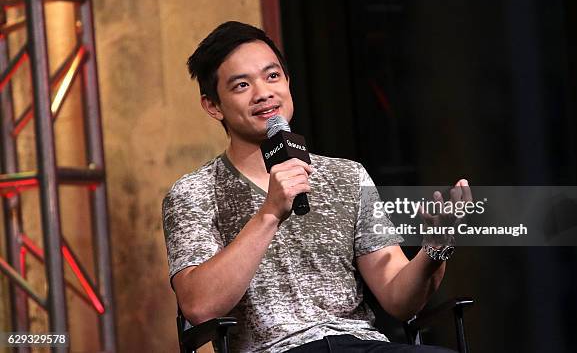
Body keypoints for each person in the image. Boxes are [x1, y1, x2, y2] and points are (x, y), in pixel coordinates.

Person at [162, 21, 470, 352]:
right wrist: (269, 212)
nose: (264, 93)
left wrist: (435, 249)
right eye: (241, 85)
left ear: (288, 82)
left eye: (272, 76)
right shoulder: (194, 192)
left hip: (360, 344)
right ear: (213, 105)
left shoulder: (347, 175)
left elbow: (399, 298)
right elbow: (199, 305)